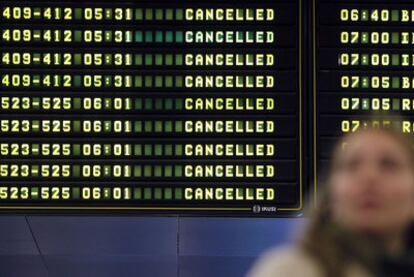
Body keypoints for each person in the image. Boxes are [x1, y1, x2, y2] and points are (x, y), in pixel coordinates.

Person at [246, 120, 414, 277]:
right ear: (330, 194)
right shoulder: (290, 269)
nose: (368, 177)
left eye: (389, 164)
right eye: (352, 165)